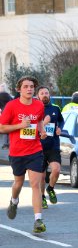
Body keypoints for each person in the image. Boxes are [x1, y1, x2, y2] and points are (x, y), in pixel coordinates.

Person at [0, 76, 48, 233]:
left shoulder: (39, 105)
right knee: (18, 183)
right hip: (17, 151)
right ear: (18, 89)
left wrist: (41, 131)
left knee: (35, 184)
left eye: (32, 86)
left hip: (35, 150)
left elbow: (39, 120)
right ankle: (14, 201)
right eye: (26, 86)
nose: (29, 89)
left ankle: (38, 220)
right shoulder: (11, 106)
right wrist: (20, 125)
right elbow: (1, 128)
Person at [36, 86, 64, 209]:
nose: (45, 95)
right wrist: (45, 123)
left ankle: (51, 188)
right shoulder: (34, 109)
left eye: (46, 93)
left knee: (56, 169)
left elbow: (61, 121)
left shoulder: (55, 108)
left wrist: (60, 128)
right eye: (42, 93)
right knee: (41, 177)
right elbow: (31, 127)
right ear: (38, 96)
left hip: (53, 145)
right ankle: (41, 197)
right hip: (39, 147)